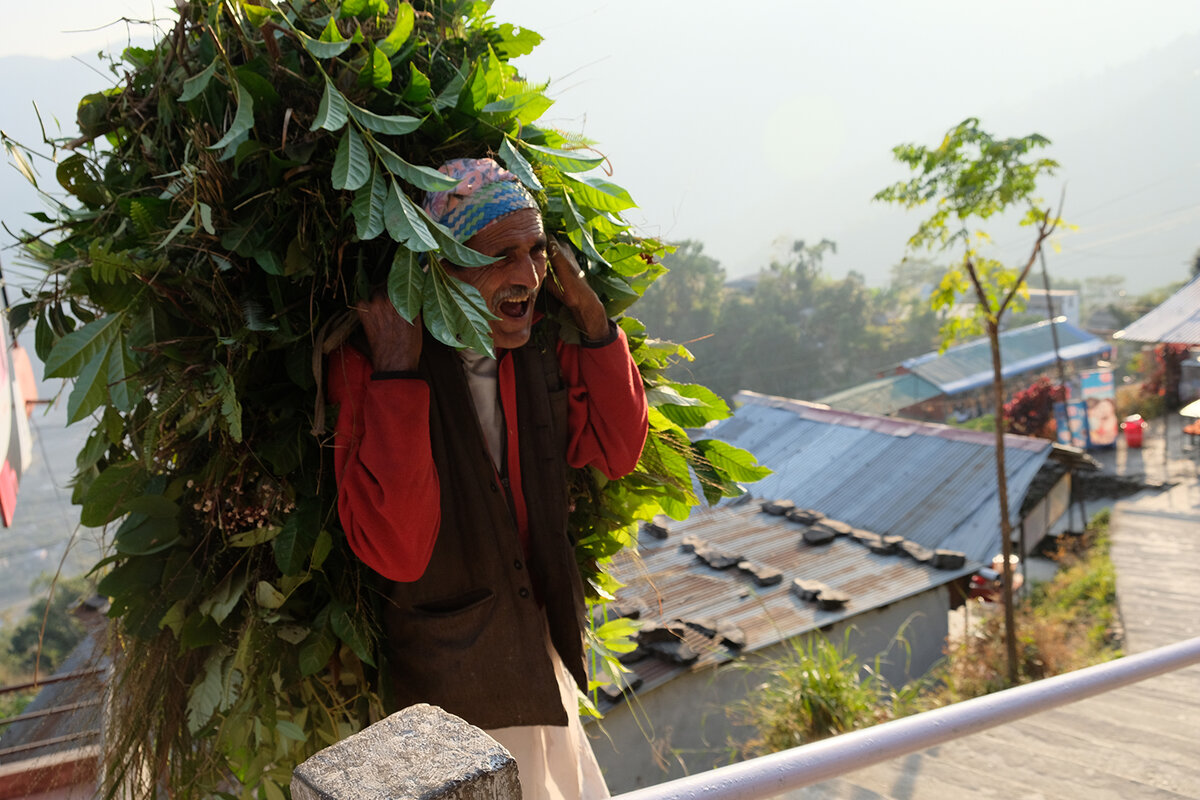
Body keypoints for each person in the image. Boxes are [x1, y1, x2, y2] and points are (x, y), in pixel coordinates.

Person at [327, 158, 649, 800]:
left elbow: (616, 451)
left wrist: (590, 316)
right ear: (440, 269)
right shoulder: (368, 364)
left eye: (535, 253)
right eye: (501, 256)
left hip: (541, 665)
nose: (527, 276)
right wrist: (397, 373)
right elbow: (400, 548)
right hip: (452, 703)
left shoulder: (538, 348)